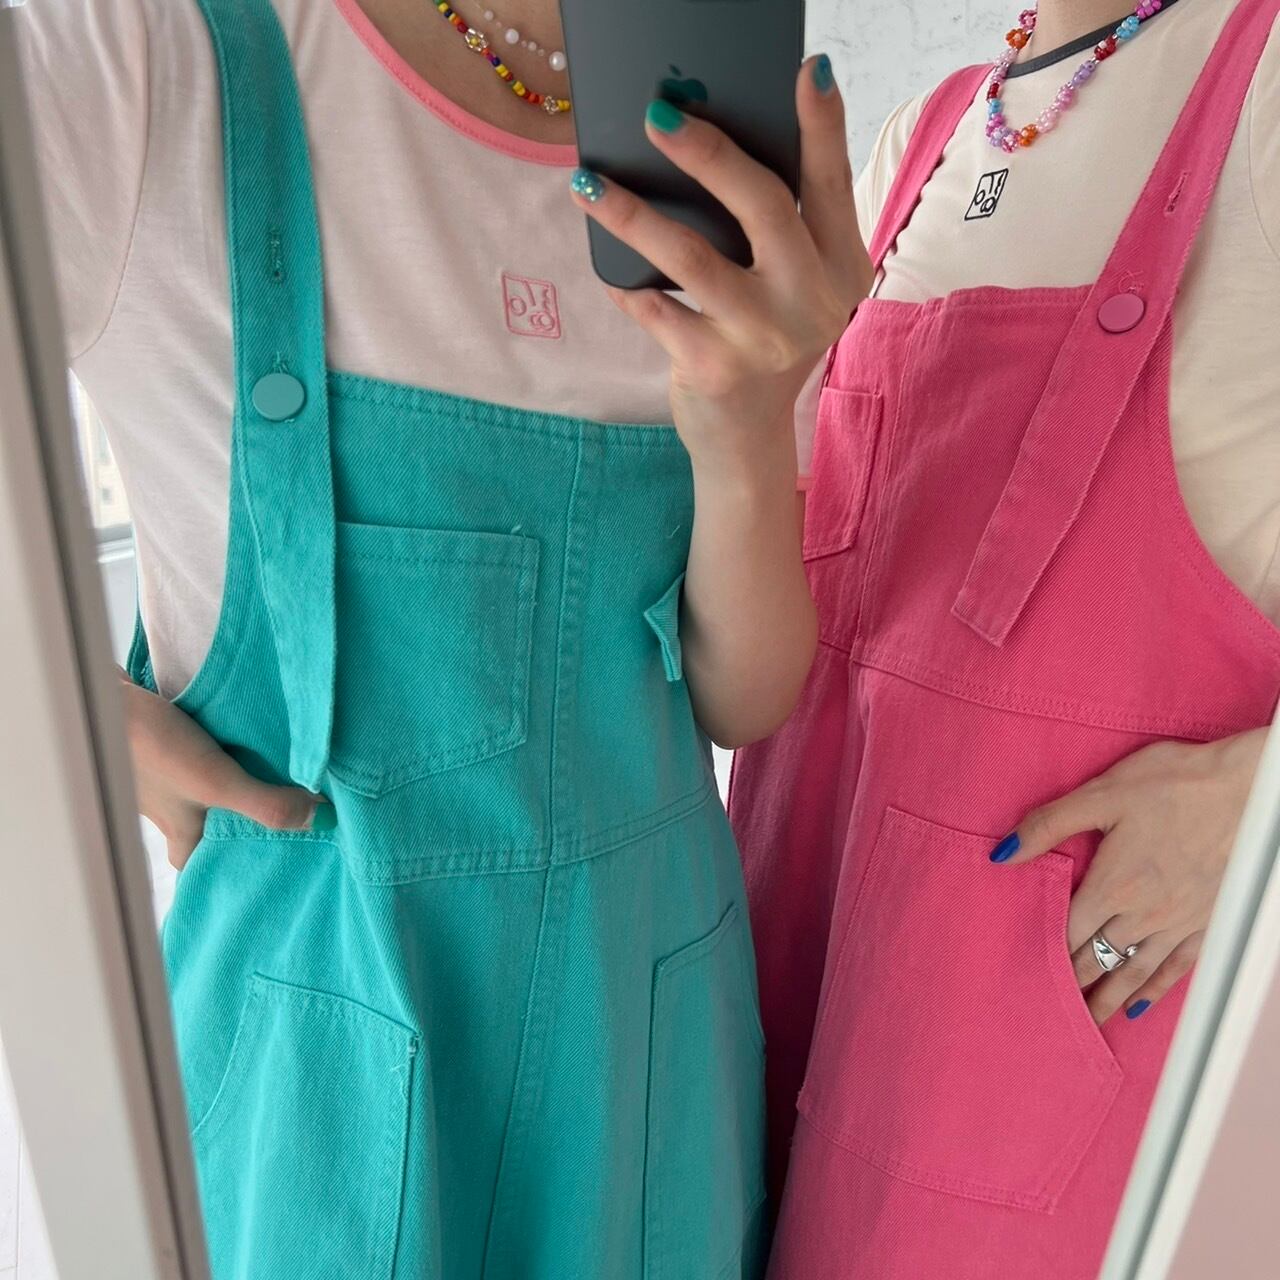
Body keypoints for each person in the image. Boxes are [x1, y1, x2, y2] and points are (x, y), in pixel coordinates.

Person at [16, 0, 863, 1274]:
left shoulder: (720, 141)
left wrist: (746, 421)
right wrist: (49, 704)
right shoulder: (137, 52)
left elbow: (735, 697)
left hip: (649, 1039)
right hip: (318, 1060)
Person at [731, 0, 1280, 1275]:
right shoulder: (912, 145)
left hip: (1025, 1079)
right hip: (782, 970)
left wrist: (1258, 808)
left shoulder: (1261, 81)